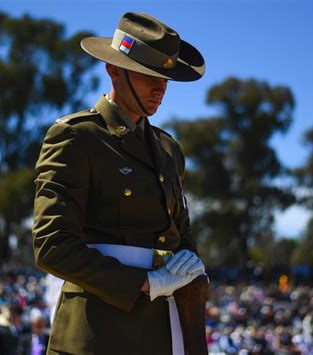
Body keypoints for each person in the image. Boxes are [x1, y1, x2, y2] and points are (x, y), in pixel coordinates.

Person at [33, 12, 207, 355]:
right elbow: (52, 246)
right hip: (98, 330)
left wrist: (191, 263)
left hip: (163, 327)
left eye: (165, 78)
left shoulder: (168, 148)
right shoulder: (77, 136)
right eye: (148, 76)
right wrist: (143, 282)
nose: (160, 88)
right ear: (114, 69)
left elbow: (180, 229)